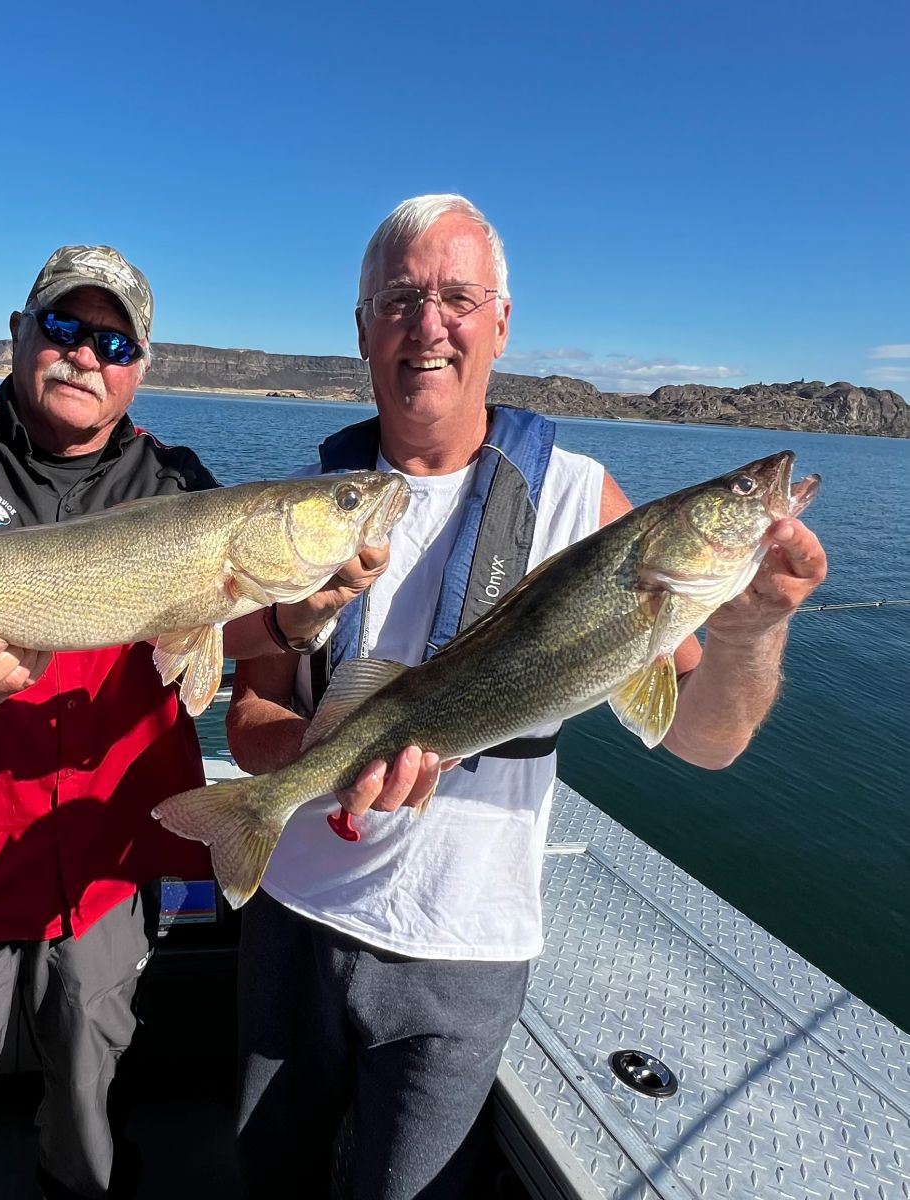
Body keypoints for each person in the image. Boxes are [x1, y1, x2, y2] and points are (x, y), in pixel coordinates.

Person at [225, 195, 829, 1198]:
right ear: (364, 327)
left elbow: (709, 740)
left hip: (465, 952)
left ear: (501, 323)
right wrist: (316, 770)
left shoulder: (583, 501)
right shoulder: (303, 505)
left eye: (458, 297)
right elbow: (250, 723)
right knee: (271, 1174)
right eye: (400, 299)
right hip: (293, 920)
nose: (429, 324)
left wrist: (755, 623)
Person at [0, 245, 315, 1200]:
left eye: (114, 341)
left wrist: (294, 615)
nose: (87, 355)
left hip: (100, 866)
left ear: (140, 367)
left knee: (94, 1125)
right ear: (17, 333)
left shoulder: (181, 484)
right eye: (64, 328)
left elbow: (213, 626)